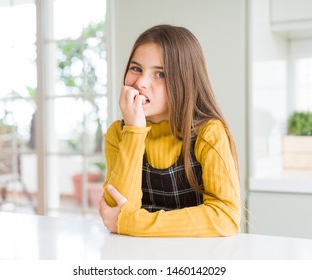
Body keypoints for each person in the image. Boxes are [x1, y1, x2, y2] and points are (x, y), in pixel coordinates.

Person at [99, 24, 241, 237]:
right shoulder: (118, 134)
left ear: (185, 81)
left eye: (161, 74)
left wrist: (133, 222)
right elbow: (114, 209)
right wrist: (134, 131)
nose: (141, 83)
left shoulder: (209, 132)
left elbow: (226, 217)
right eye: (136, 68)